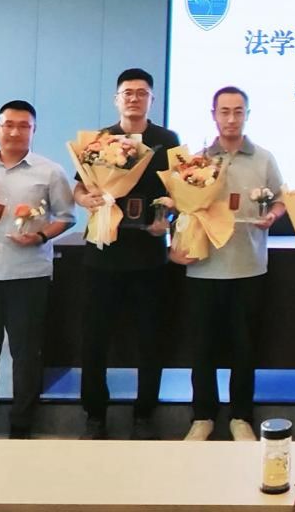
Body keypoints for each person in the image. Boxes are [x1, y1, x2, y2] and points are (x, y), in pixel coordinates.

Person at [0, 100, 75, 439]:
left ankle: (22, 425)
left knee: (26, 355)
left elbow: (66, 217)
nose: (15, 132)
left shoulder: (50, 171)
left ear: (34, 131)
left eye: (24, 126)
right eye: (8, 125)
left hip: (28, 275)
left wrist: (40, 236)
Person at [74, 68, 179, 440]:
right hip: (103, 253)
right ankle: (94, 415)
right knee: (94, 338)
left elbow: (179, 190)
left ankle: (144, 415)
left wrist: (166, 218)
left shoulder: (167, 140)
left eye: (142, 92)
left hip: (149, 255)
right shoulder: (100, 140)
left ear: (152, 99)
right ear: (116, 99)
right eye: (128, 92)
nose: (134, 98)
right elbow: (78, 188)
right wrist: (85, 199)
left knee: (150, 339)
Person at [175, 86, 285, 443]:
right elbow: (181, 207)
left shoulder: (264, 158)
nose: (231, 118)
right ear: (214, 115)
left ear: (247, 115)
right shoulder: (197, 161)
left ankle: (241, 416)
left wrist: (273, 215)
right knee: (202, 347)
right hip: (204, 266)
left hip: (249, 266)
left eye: (238, 111)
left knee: (244, 347)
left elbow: (282, 200)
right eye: (224, 111)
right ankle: (203, 416)